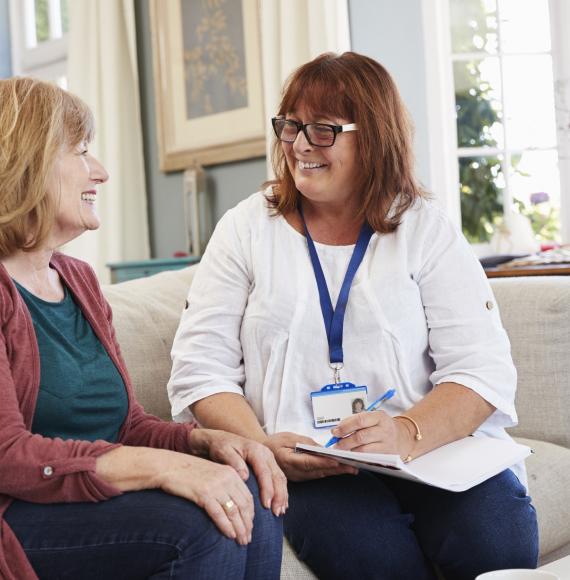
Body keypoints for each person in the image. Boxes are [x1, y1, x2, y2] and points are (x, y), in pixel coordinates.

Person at [167, 52, 539, 580]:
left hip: (428, 451)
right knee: (378, 561)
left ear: (375, 137)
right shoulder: (245, 229)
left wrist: (407, 432)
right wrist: (263, 447)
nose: (298, 145)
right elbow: (200, 370)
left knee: (498, 540)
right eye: (291, 126)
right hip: (306, 468)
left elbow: (480, 371)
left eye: (322, 130)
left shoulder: (424, 229)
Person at [0, 77, 287, 580]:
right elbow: (10, 457)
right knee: (199, 530)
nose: (101, 172)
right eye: (82, 152)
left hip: (85, 504)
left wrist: (203, 444)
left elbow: (126, 425)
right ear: (27, 163)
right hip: (17, 513)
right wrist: (165, 468)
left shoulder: (78, 281)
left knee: (251, 500)